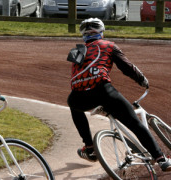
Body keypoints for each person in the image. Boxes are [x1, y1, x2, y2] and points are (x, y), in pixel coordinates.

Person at [67, 18, 171, 172]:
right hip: (103, 91)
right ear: (101, 32)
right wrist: (142, 80)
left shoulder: (75, 51)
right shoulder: (108, 46)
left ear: (83, 35)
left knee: (73, 106)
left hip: (78, 96)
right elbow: (127, 67)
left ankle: (89, 148)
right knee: (135, 123)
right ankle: (161, 159)